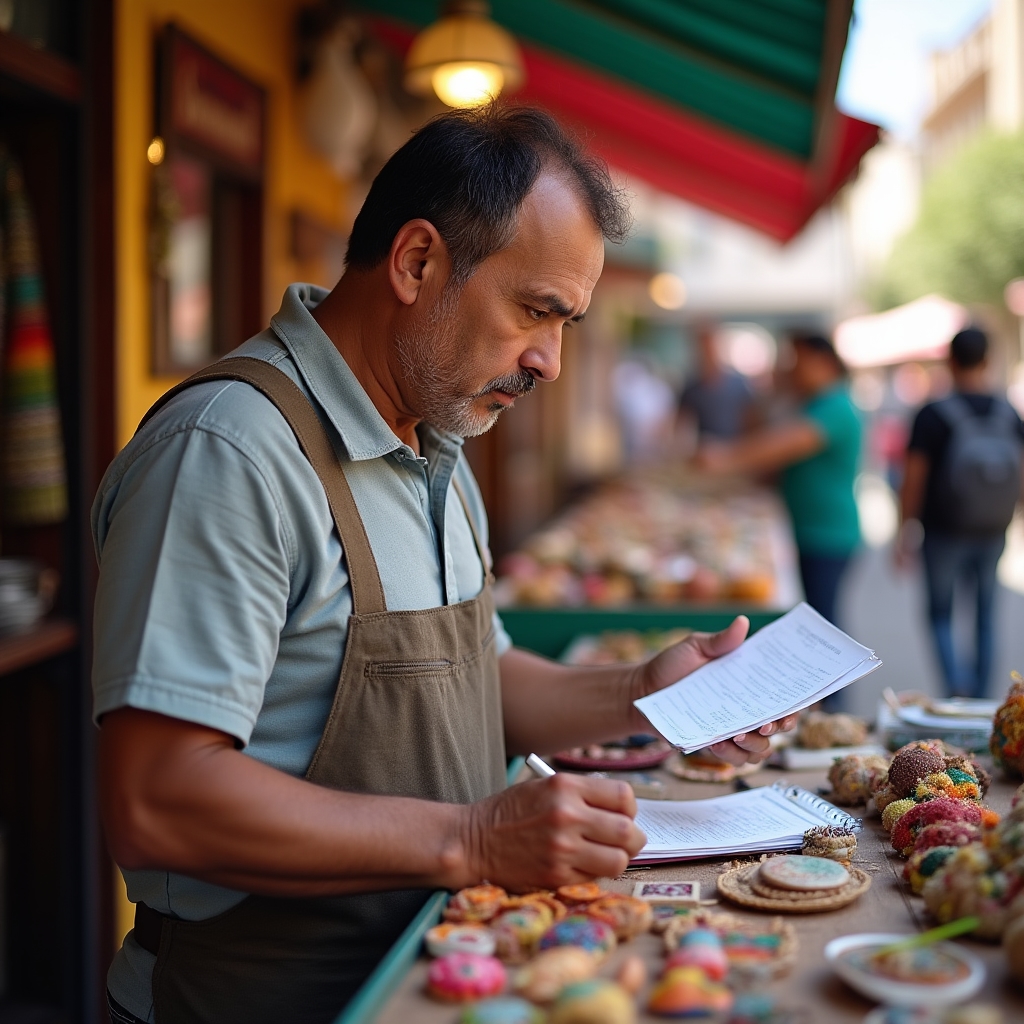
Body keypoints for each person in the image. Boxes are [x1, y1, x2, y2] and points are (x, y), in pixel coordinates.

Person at [93, 105, 797, 1024]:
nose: (548, 360)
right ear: (418, 262)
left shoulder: (435, 444)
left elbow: (473, 679)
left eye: (568, 323)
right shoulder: (229, 454)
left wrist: (650, 692)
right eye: (536, 311)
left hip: (432, 974)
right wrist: (470, 837)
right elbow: (158, 799)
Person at [696, 332, 862, 632]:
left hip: (826, 532)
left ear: (822, 362)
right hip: (811, 527)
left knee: (822, 628)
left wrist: (724, 457)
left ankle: (838, 682)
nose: (790, 369)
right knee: (815, 622)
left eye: (796, 360)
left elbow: (783, 445)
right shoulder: (811, 403)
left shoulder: (835, 405)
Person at [897, 327, 1024, 698]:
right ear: (987, 360)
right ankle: (981, 699)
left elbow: (913, 479)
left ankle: (956, 690)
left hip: (942, 531)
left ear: (950, 362)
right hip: (992, 529)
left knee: (940, 614)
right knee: (986, 617)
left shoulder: (933, 415)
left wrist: (905, 529)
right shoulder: (1008, 413)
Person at [678, 322, 756, 440]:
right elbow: (681, 424)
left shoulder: (738, 383)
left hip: (737, 449)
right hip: (707, 452)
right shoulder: (691, 389)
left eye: (710, 344)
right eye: (702, 346)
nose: (707, 351)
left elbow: (751, 420)